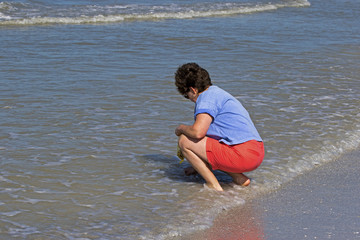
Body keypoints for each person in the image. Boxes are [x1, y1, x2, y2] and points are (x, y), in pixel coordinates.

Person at [174, 63, 264, 191]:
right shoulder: (218, 93)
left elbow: (198, 133)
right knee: (212, 141)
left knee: (184, 140)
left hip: (242, 155)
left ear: (193, 90)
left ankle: (214, 185)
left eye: (186, 94)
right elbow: (210, 141)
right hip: (256, 153)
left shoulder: (205, 99)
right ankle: (239, 178)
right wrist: (196, 167)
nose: (188, 98)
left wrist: (181, 128)